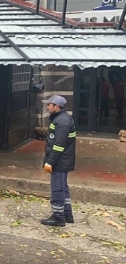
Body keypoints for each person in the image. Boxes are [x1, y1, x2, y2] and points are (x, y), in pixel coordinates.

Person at [41, 95, 77, 227]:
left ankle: (58, 217)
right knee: (63, 188)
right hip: (63, 159)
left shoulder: (62, 122)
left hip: (60, 160)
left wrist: (50, 162)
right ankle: (67, 214)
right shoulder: (61, 119)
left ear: (57, 106)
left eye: (49, 105)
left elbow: (58, 145)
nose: (47, 107)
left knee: (57, 188)